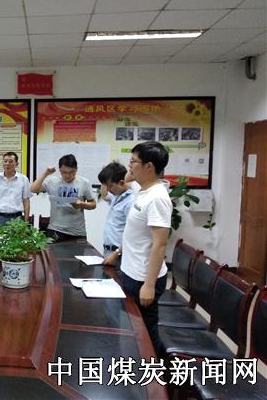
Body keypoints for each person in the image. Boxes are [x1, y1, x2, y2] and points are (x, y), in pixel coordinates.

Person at [104, 141, 172, 353]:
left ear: (149, 166)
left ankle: (155, 371)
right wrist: (117, 253)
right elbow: (133, 234)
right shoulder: (142, 190)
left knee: (146, 334)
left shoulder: (157, 198)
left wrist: (149, 285)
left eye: (133, 161)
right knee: (135, 329)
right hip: (131, 271)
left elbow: (160, 244)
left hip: (144, 278)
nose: (129, 166)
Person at [30, 154, 96, 242]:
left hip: (78, 232)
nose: (67, 175)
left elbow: (93, 204)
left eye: (71, 172)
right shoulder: (52, 181)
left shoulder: (84, 183)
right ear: (59, 170)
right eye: (64, 172)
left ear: (76, 169)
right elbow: (33, 189)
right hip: (55, 230)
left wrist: (82, 204)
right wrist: (46, 173)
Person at [98, 162, 135, 259]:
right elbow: (104, 195)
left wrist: (117, 252)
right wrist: (104, 178)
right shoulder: (117, 195)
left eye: (110, 186)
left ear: (121, 183)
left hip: (119, 253)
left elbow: (132, 233)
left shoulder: (131, 201)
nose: (108, 189)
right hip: (108, 251)